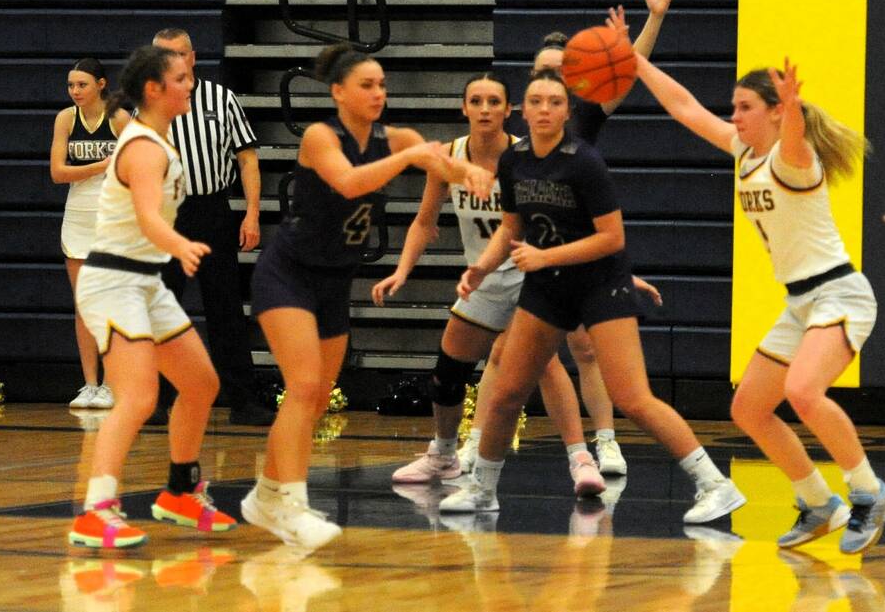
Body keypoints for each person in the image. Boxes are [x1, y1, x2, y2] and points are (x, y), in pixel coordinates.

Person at [438, 67, 744, 526]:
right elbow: (511, 227)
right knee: (506, 393)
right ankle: (482, 487)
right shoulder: (515, 160)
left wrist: (547, 256)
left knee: (632, 397)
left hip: (601, 284)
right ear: (523, 109)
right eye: (536, 101)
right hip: (549, 287)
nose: (544, 109)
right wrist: (481, 267)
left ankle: (715, 484)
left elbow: (612, 238)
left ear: (566, 111)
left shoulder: (583, 161)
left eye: (555, 102)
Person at [632, 54, 885, 552]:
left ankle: (869, 492)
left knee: (803, 391)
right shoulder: (743, 152)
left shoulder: (794, 160)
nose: (734, 116)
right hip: (801, 302)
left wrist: (793, 106)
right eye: (733, 107)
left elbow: (794, 135)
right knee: (749, 408)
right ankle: (818, 502)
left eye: (745, 107)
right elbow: (685, 107)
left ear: (775, 112)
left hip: (839, 293)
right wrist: (637, 62)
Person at [243, 44, 493, 551]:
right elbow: (351, 182)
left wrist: (471, 173)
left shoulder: (396, 136)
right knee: (305, 386)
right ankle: (289, 503)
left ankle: (266, 496)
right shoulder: (320, 136)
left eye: (382, 85)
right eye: (367, 85)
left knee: (311, 403)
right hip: (287, 274)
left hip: (335, 281)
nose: (379, 93)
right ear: (338, 92)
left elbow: (440, 168)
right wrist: (412, 156)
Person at [372, 73, 608, 498]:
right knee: (447, 372)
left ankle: (581, 458)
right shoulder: (449, 156)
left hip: (528, 270)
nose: (484, 109)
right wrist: (402, 270)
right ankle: (443, 455)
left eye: (493, 102)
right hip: (482, 276)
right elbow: (425, 222)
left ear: (507, 110)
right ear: (463, 108)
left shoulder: (522, 157)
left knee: (545, 364)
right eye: (476, 101)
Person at [69, 44, 237, 548]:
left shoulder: (158, 141)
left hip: (145, 281)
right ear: (154, 89)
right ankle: (96, 510)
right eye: (182, 78)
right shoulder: (142, 147)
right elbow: (146, 215)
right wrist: (180, 244)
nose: (191, 85)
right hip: (113, 281)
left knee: (202, 383)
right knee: (139, 396)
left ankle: (180, 493)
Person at [510, 0, 677, 475]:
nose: (551, 82)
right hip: (531, 245)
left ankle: (605, 442)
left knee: (585, 346)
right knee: (520, 357)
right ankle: (479, 453)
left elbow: (627, 67)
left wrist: (655, 18)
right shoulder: (519, 130)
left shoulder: (585, 112)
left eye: (560, 73)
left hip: (580, 243)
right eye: (544, 72)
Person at [153, 28, 271, 425]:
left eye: (179, 54)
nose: (172, 62)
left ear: (192, 56)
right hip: (166, 213)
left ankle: (242, 399)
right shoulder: (146, 103)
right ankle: (155, 400)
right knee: (162, 307)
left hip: (212, 210)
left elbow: (247, 158)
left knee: (225, 308)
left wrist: (252, 212)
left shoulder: (221, 99)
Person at [51, 57, 130, 409]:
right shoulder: (66, 119)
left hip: (112, 216)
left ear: (101, 84)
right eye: (71, 85)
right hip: (78, 218)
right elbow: (57, 172)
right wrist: (101, 165)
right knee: (83, 305)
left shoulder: (119, 118)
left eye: (81, 84)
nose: (75, 91)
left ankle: (113, 383)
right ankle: (89, 384)